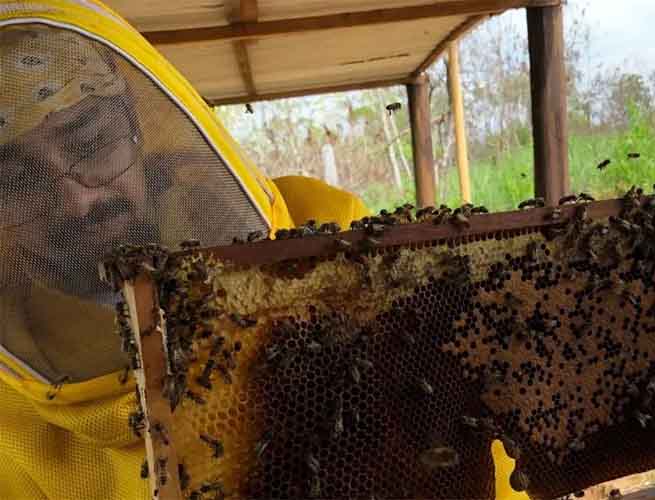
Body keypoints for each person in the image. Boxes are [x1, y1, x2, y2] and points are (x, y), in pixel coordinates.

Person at [0, 2, 529, 498]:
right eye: (17, 181)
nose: (76, 201)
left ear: (136, 128)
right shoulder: (11, 429)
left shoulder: (323, 228)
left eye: (89, 143)